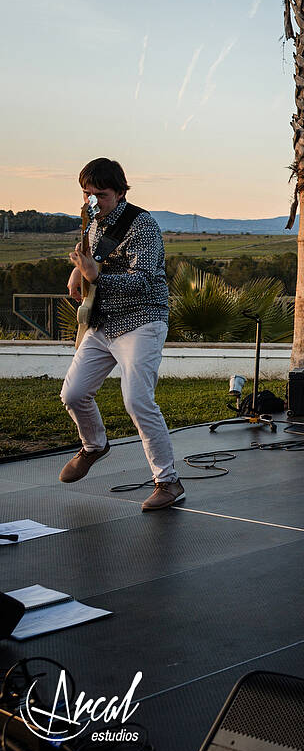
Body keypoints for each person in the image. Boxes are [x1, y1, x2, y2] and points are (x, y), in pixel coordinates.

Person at [59, 158, 182, 511]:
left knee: (138, 400)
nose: (92, 200)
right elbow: (90, 258)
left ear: (120, 192)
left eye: (100, 194)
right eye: (87, 194)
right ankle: (95, 445)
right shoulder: (93, 222)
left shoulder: (141, 225)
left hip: (143, 319)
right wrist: (77, 275)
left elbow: (142, 281)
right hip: (103, 321)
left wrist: (95, 277)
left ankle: (168, 481)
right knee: (74, 393)